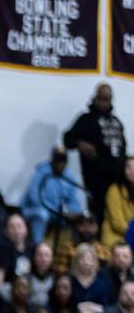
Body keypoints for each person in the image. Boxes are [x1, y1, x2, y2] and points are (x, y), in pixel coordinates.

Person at [64, 83, 127, 225]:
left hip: (117, 177)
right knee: (97, 212)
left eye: (108, 99)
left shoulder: (117, 122)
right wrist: (80, 144)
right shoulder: (86, 119)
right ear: (95, 98)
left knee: (116, 213)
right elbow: (68, 139)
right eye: (102, 99)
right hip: (95, 176)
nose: (105, 103)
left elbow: (123, 147)